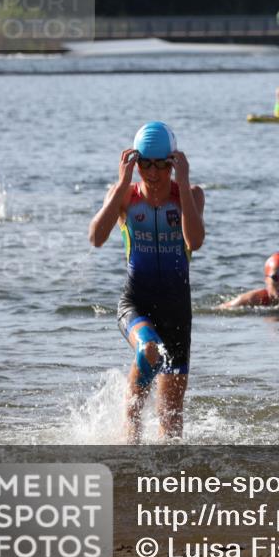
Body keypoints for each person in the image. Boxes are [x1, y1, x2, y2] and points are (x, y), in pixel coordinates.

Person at [88, 121, 205, 443]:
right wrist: (121, 183)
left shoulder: (190, 194)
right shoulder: (124, 196)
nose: (152, 172)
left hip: (177, 309)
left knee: (172, 416)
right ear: (135, 163)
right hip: (136, 301)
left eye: (160, 164)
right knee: (149, 348)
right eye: (144, 164)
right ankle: (130, 441)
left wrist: (182, 182)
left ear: (173, 162)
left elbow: (194, 242)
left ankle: (166, 483)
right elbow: (96, 238)